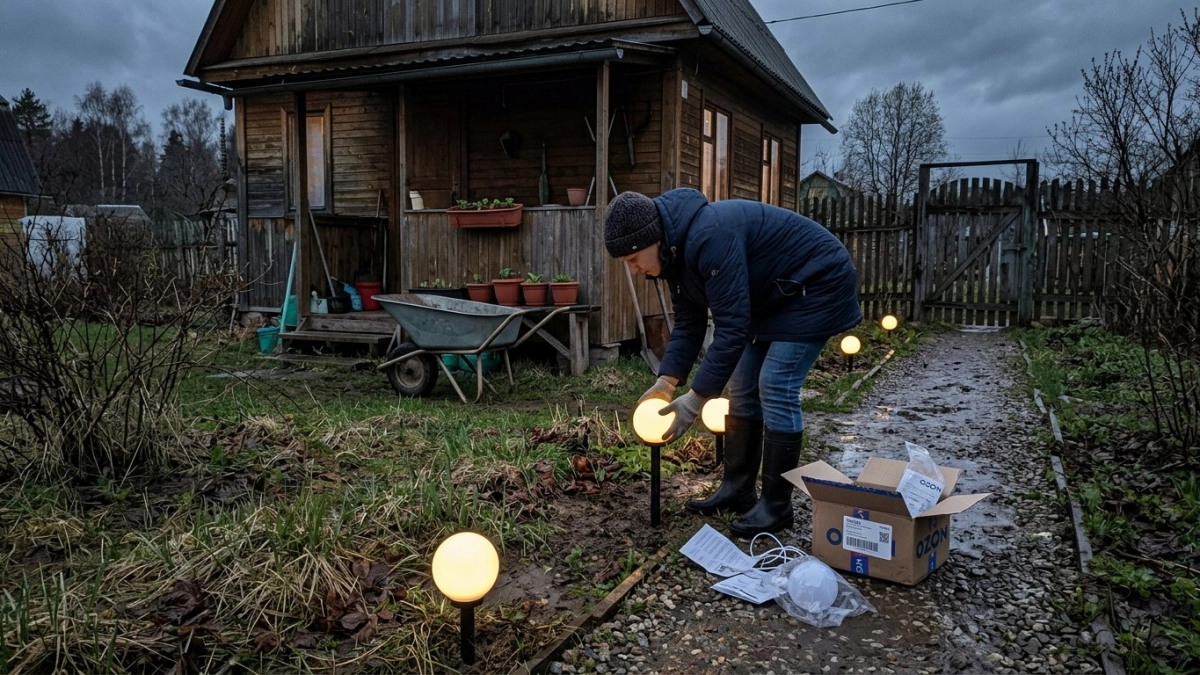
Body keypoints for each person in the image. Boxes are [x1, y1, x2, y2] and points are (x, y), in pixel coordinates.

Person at [604, 188, 861, 536]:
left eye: (634, 259)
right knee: (742, 385)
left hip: (816, 284)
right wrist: (665, 383)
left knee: (775, 383)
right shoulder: (674, 257)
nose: (635, 270)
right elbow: (689, 324)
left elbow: (732, 327)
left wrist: (694, 401)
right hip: (773, 295)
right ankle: (738, 489)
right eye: (628, 264)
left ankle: (776, 505)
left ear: (654, 238)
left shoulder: (710, 237)